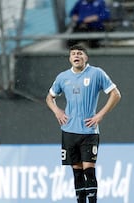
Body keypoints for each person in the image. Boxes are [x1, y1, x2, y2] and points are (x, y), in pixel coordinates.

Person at [46, 44, 121, 203]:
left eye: (80, 53)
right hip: (69, 131)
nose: (76, 56)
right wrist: (57, 111)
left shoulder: (96, 73)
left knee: (89, 170)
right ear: (69, 58)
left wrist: (100, 115)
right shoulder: (63, 77)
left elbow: (116, 94)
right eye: (73, 53)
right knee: (77, 172)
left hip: (89, 131)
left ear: (86, 57)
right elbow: (49, 97)